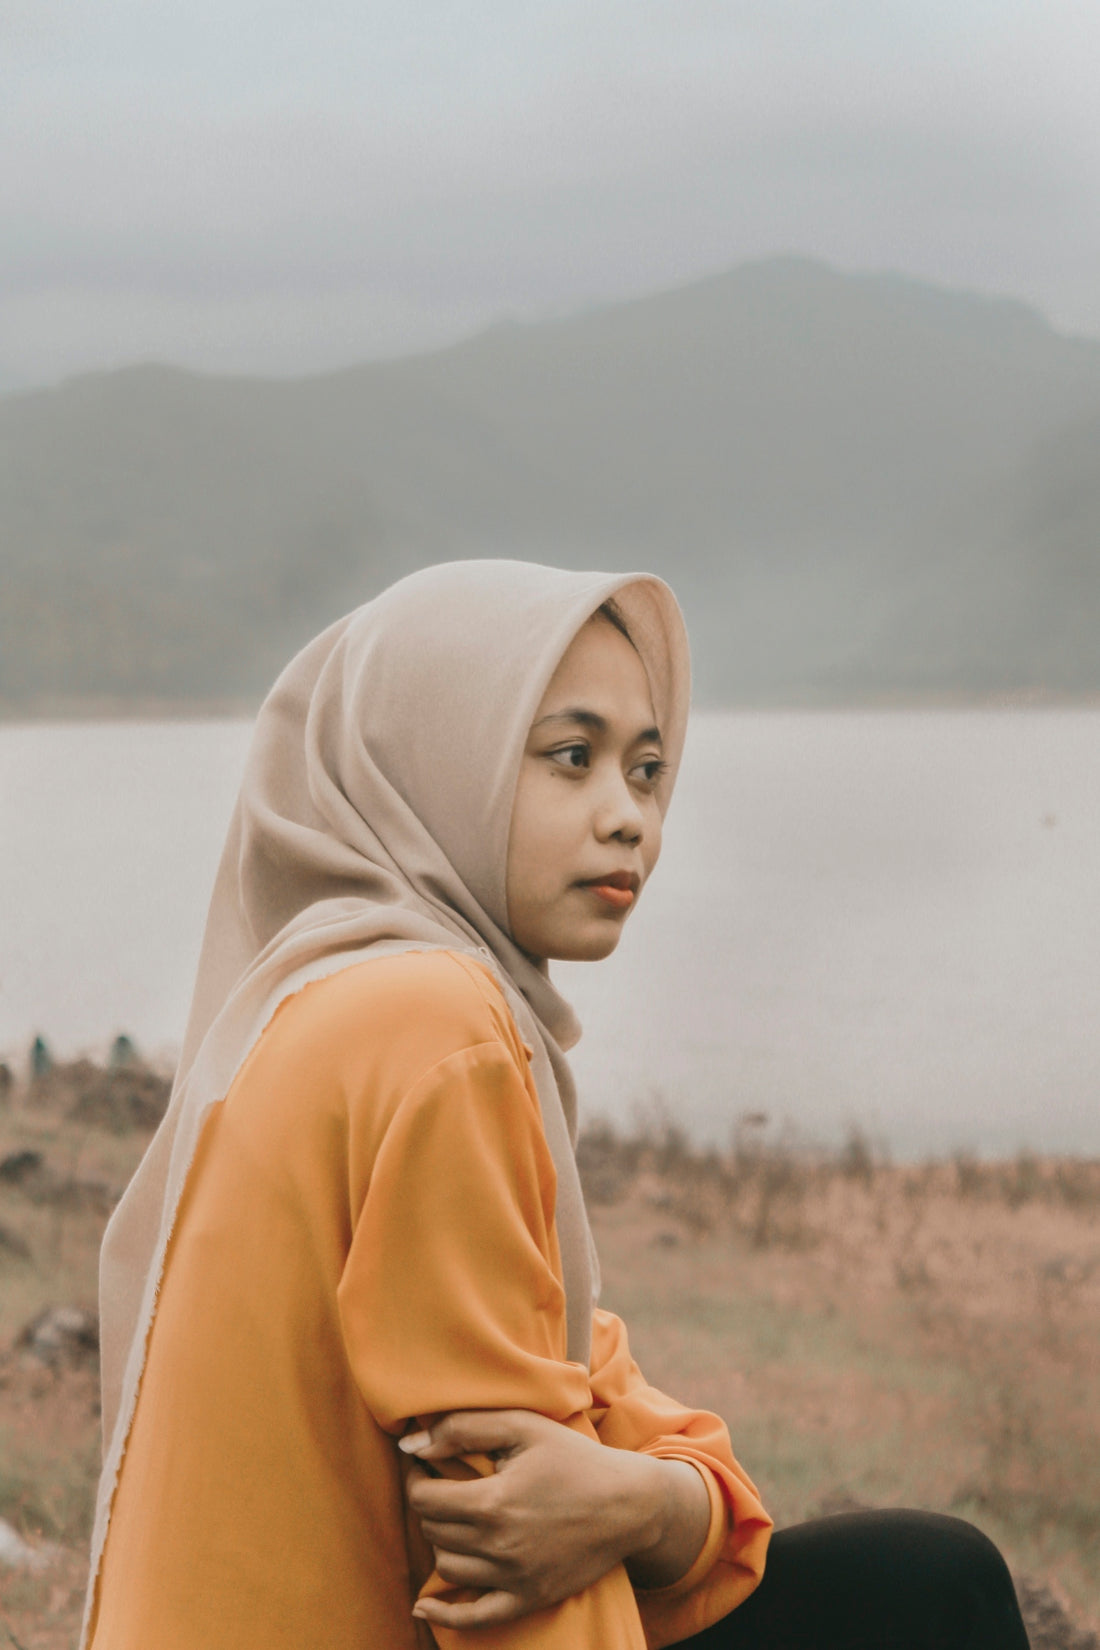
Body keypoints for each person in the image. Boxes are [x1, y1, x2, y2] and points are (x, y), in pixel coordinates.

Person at [81, 560, 1029, 1650]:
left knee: (918, 1575)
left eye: (645, 769)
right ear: (432, 757)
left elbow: (598, 1403)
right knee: (933, 1591)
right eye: (569, 758)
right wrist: (626, 1500)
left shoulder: (324, 1003)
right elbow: (506, 1534)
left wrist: (645, 1501)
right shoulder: (434, 1026)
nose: (627, 817)